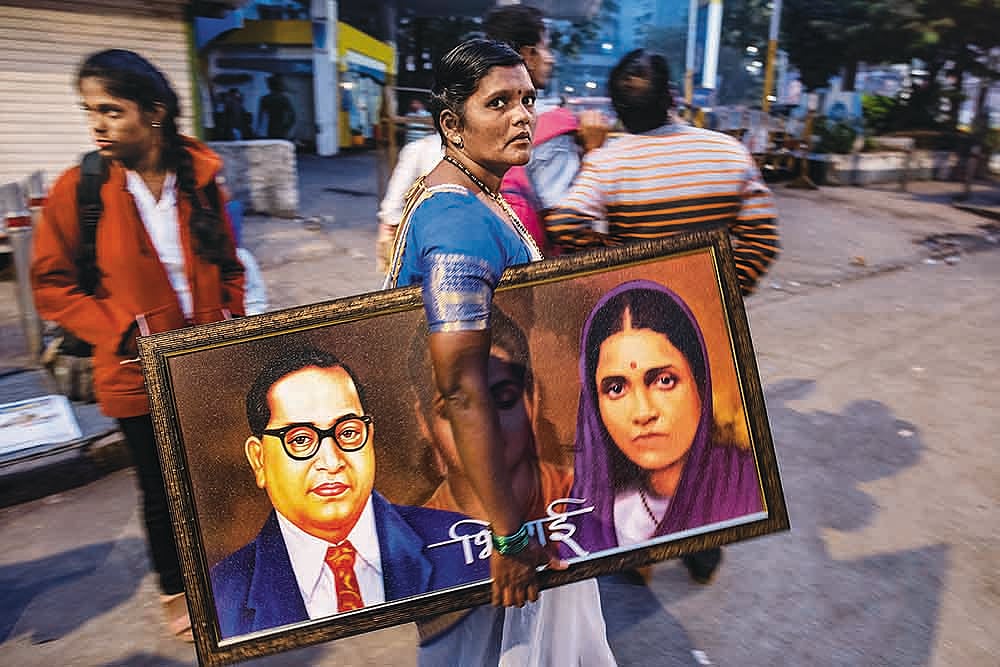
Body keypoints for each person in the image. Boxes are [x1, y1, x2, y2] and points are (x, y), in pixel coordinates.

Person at [383, 38, 614, 666]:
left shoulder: (481, 195)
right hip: (476, 516)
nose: (522, 116)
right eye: (500, 103)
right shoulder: (457, 221)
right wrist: (507, 533)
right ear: (452, 124)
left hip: (496, 495)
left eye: (527, 99)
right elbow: (459, 386)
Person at [31, 49, 245, 641]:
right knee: (161, 490)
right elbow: (52, 285)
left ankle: (229, 574)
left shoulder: (200, 180)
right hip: (133, 369)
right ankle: (177, 587)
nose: (96, 124)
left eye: (110, 110)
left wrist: (231, 321)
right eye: (89, 112)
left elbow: (230, 265)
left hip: (206, 364)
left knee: (219, 478)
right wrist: (118, 328)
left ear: (153, 113)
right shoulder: (82, 189)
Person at [210, 348, 489, 639]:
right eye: (301, 440)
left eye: (348, 433)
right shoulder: (222, 597)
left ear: (370, 437)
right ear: (259, 460)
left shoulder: (462, 542)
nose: (332, 462)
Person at [545, 49, 780, 295]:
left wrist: (618, 262)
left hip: (639, 311)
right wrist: (724, 289)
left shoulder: (608, 162)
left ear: (616, 109)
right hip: (712, 313)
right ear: (672, 97)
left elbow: (563, 224)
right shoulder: (731, 152)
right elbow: (762, 240)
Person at [569, 281, 763, 564]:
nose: (644, 412)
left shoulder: (746, 484)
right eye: (616, 388)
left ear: (700, 382)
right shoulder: (597, 515)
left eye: (664, 380)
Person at [484, 4, 611, 257]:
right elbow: (565, 223)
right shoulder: (553, 128)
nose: (550, 57)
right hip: (543, 269)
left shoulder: (479, 119)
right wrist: (592, 151)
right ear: (529, 55)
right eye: (546, 47)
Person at [374, 132, 443, 273]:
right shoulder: (480, 152)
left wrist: (387, 229)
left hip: (423, 244)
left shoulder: (420, 148)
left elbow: (393, 205)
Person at [257, 74, 296, 140]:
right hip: (280, 130)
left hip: (270, 130)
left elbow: (260, 118)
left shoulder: (265, 99)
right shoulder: (284, 99)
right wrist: (286, 128)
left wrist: (258, 131)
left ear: (269, 86)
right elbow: (293, 117)